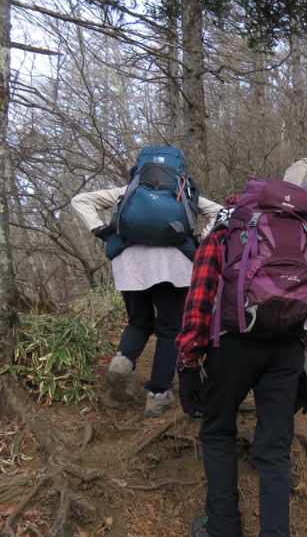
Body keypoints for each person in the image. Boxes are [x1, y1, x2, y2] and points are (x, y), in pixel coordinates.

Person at [175, 199, 307, 537]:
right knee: (274, 451)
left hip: (232, 344)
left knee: (218, 428)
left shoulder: (225, 231)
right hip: (288, 346)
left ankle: (223, 529)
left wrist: (188, 363)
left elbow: (199, 301)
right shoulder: (302, 236)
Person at [70, 168, 222, 418]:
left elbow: (80, 200)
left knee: (139, 321)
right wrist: (200, 240)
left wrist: (102, 231)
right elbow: (220, 211)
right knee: (171, 329)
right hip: (173, 264)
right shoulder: (184, 191)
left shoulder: (128, 191)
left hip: (130, 262)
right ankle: (158, 395)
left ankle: (123, 362)